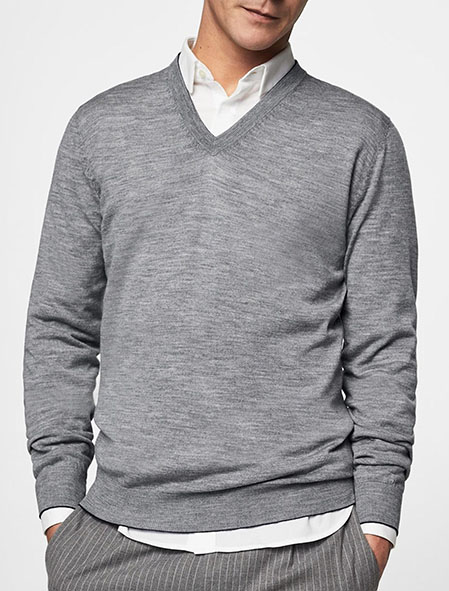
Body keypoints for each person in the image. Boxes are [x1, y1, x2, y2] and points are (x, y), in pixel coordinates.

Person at [23, 1, 418, 589]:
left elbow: (384, 347)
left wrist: (376, 529)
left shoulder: (361, 137)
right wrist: (59, 507)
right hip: (116, 545)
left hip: (311, 546)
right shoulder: (101, 129)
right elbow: (61, 328)